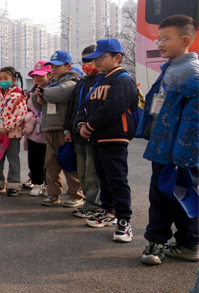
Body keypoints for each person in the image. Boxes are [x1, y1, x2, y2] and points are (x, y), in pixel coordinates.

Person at [140, 15, 199, 264]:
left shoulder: (189, 72)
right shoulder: (173, 67)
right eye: (159, 38)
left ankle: (169, 244)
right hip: (164, 147)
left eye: (166, 38)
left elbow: (193, 121)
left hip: (176, 152)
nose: (160, 43)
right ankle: (181, 242)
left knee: (173, 195)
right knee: (169, 194)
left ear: (185, 40)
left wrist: (184, 152)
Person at [77, 39, 139, 243]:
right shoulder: (100, 79)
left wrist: (90, 126)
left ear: (117, 57)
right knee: (104, 178)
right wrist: (81, 125)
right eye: (97, 58)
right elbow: (86, 107)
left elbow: (112, 107)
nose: (98, 62)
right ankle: (108, 211)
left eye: (102, 57)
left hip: (115, 136)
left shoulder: (122, 79)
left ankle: (124, 221)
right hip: (98, 138)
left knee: (117, 179)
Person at [32, 50, 83, 207]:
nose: (53, 69)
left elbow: (60, 93)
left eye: (57, 66)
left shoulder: (72, 81)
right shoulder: (52, 83)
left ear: (68, 66)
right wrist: (39, 95)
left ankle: (76, 195)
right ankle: (53, 193)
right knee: (51, 163)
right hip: (50, 127)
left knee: (67, 161)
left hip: (63, 128)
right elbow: (37, 103)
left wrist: (42, 93)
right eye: (52, 66)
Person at [64, 45, 103, 218]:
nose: (86, 65)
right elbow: (72, 108)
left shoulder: (103, 81)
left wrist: (90, 127)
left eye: (91, 60)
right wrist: (68, 128)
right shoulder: (82, 82)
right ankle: (88, 202)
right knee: (82, 172)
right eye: (84, 61)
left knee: (91, 173)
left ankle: (94, 205)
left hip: (93, 134)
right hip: (76, 133)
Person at [0, 67, 27, 196]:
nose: (2, 81)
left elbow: (20, 115)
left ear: (13, 80)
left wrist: (6, 128)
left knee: (13, 158)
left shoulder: (19, 95)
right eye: (0, 78)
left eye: (6, 79)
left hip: (12, 133)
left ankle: (13, 183)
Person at [23, 60, 51, 196]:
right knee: (34, 159)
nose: (38, 78)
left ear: (49, 75)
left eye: (41, 75)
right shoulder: (31, 93)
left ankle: (48, 184)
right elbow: (27, 109)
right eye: (35, 75)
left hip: (48, 131)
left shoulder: (53, 92)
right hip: (34, 132)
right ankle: (37, 183)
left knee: (49, 160)